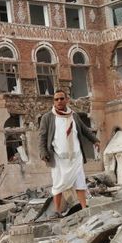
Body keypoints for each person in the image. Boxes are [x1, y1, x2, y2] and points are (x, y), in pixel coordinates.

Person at [39, 88, 100, 217]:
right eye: (56, 99)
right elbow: (42, 137)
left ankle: (84, 208)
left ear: (67, 100)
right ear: (54, 101)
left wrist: (95, 140)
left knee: (80, 183)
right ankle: (57, 211)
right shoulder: (48, 117)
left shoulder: (74, 115)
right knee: (58, 184)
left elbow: (85, 130)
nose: (59, 101)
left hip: (75, 156)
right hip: (58, 158)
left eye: (62, 98)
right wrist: (43, 152)